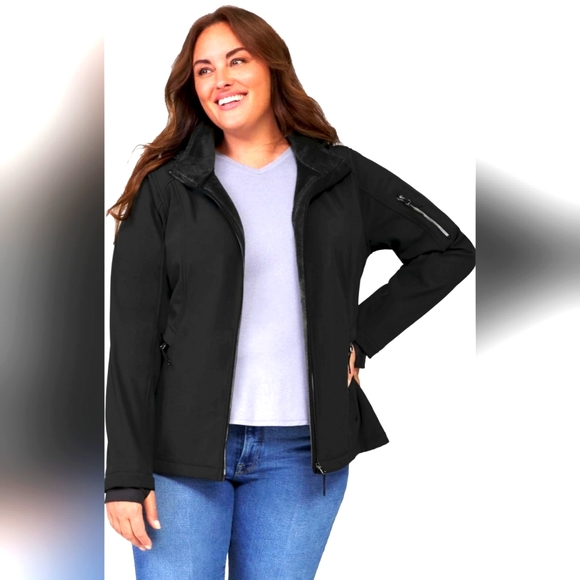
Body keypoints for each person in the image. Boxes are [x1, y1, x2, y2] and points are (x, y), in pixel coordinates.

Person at [104, 5, 476, 579]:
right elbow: (131, 342)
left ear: (272, 67)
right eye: (204, 69)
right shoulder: (168, 188)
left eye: (237, 61)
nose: (220, 79)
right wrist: (125, 477)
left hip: (301, 457)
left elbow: (448, 249)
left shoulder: (340, 177)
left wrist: (360, 337)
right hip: (179, 456)